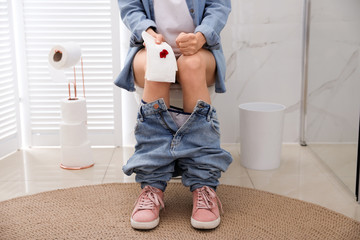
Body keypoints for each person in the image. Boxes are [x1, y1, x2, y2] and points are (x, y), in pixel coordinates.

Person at [115, 0, 233, 230]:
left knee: (191, 65)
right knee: (159, 61)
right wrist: (148, 33)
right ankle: (152, 186)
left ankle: (204, 186)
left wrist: (200, 37)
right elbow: (130, 7)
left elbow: (219, 6)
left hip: (200, 51)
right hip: (150, 49)